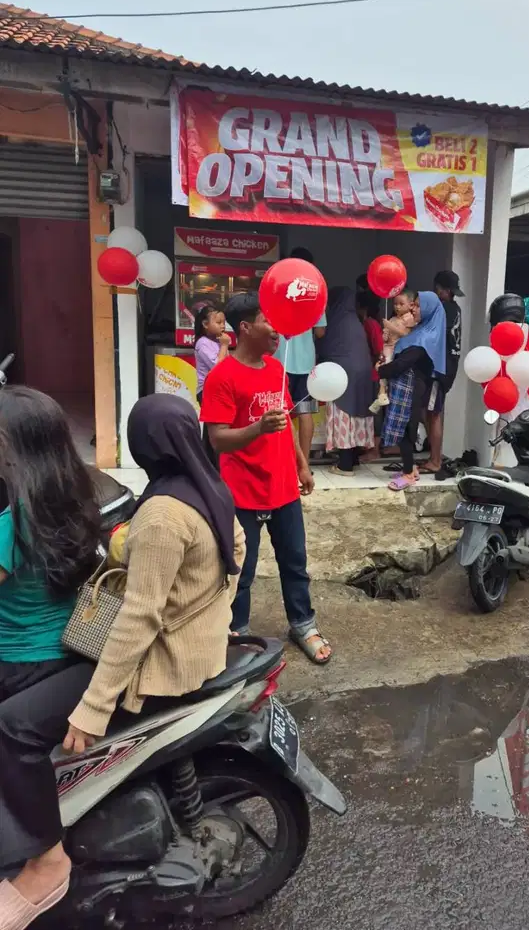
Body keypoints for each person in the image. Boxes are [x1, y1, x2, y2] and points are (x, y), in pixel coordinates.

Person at [65, 394, 246, 751]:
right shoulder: (209, 485)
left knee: (15, 723)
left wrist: (93, 709)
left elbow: (141, 614)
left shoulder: (161, 514)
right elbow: (237, 551)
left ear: (142, 446)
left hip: (168, 667)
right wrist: (214, 615)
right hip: (206, 648)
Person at [0, 387, 101, 928]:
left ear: (14, 449)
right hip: (64, 652)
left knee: (10, 733)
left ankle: (46, 857)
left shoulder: (12, 523)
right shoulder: (75, 493)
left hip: (22, 665)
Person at [201, 293, 332, 665]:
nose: (279, 331)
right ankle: (237, 632)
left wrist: (302, 464)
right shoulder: (222, 376)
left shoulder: (276, 369)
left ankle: (303, 624)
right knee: (240, 572)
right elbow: (217, 438)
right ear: (245, 328)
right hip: (241, 492)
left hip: (283, 488)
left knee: (295, 563)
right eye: (269, 322)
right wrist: (258, 427)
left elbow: (287, 421)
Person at [378, 291, 446, 491]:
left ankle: (408, 475)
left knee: (407, 429)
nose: (413, 309)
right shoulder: (418, 331)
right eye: (413, 304)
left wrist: (381, 370)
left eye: (417, 305)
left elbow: (403, 364)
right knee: (403, 429)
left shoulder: (426, 338)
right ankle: (411, 468)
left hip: (412, 389)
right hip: (405, 387)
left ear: (428, 310)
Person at [273, 247, 327, 464]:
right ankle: (302, 463)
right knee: (305, 413)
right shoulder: (316, 292)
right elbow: (321, 331)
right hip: (305, 363)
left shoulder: (280, 287)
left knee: (277, 412)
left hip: (279, 361)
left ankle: (278, 461)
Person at [317, 287, 376, 476]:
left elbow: (325, 347)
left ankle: (345, 465)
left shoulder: (336, 321)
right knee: (357, 415)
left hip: (343, 376)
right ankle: (354, 457)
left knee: (343, 415)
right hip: (363, 376)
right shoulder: (355, 321)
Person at [421, 271, 464, 474]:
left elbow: (431, 338)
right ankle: (434, 456)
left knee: (433, 414)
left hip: (439, 369)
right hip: (449, 367)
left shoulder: (442, 310)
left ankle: (436, 460)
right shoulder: (455, 308)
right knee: (430, 412)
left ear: (440, 289)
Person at [194, 305, 231, 468]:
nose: (222, 326)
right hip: (207, 391)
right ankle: (210, 465)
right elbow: (217, 368)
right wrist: (224, 346)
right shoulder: (202, 343)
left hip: (219, 391)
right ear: (205, 324)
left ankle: (211, 466)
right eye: (218, 322)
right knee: (214, 430)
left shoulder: (217, 341)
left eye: (224, 322)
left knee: (214, 431)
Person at [371, 289, 417, 412]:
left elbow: (405, 334)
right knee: (380, 365)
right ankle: (381, 393)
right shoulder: (392, 319)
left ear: (410, 305)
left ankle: (383, 393)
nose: (397, 307)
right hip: (387, 347)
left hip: (396, 348)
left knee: (386, 367)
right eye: (395, 304)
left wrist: (390, 327)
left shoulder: (409, 318)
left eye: (401, 304)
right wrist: (385, 335)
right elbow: (386, 337)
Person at [355, 290, 384, 462]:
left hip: (373, 374)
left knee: (375, 412)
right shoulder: (369, 323)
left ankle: (375, 450)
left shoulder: (370, 324)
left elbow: (378, 349)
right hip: (368, 373)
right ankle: (367, 446)